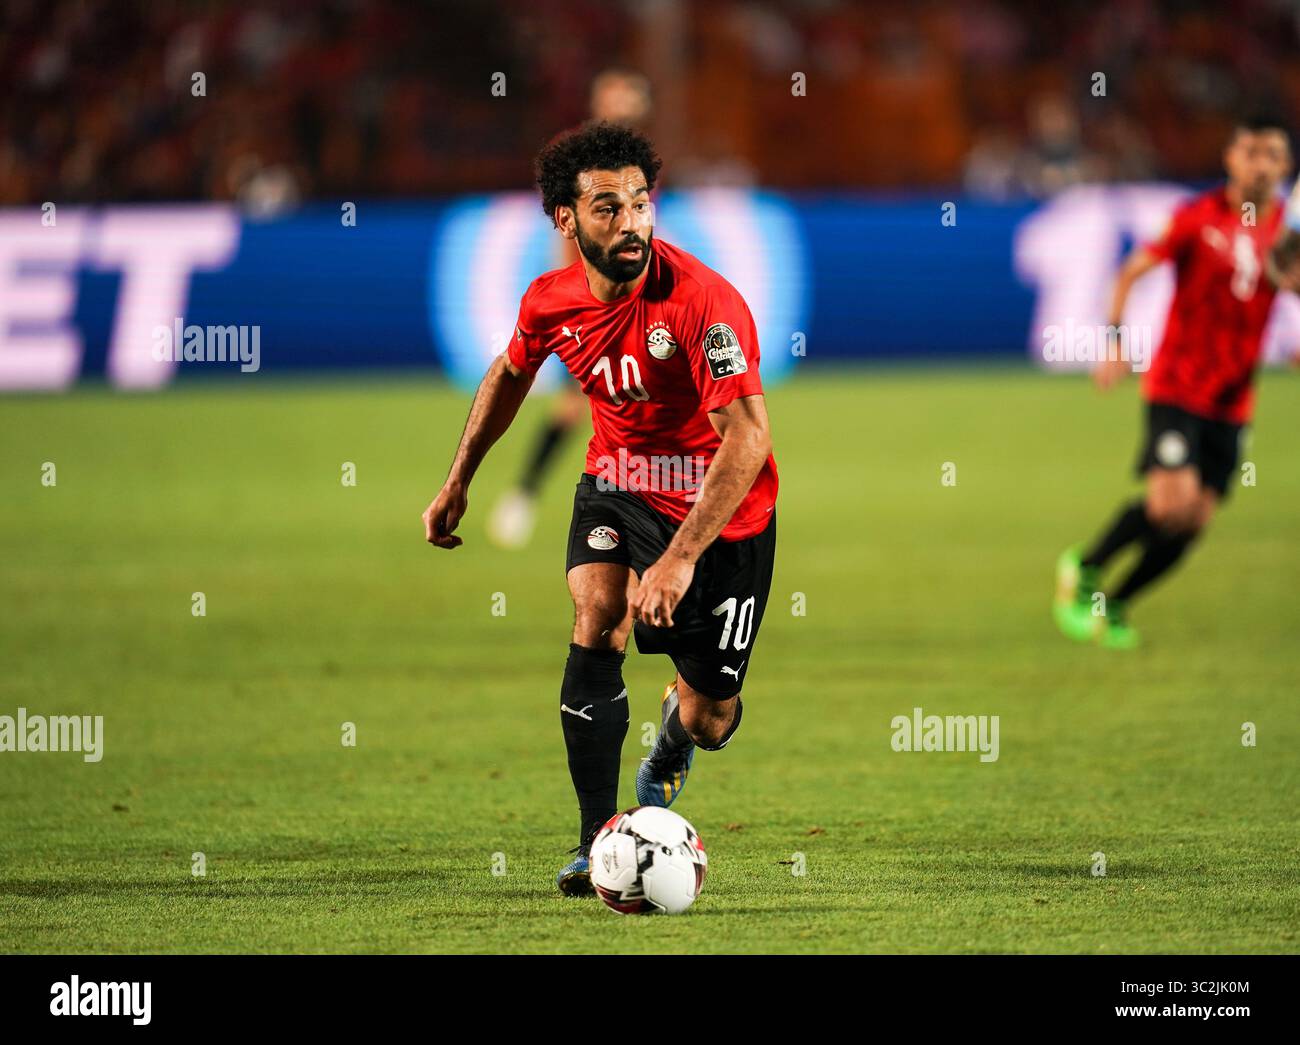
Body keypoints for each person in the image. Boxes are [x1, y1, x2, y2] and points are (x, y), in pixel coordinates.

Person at [422, 122, 779, 896]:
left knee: (713, 712)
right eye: (608, 208)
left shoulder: (702, 303)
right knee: (596, 615)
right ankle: (596, 839)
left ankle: (672, 741)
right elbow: (511, 373)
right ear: (566, 219)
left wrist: (682, 557)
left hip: (722, 514)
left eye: (641, 204)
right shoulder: (552, 300)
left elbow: (748, 439)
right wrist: (459, 478)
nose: (630, 224)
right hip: (615, 482)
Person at [1055, 113, 1300, 648]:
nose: (1260, 164)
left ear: (1285, 166)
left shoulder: (1285, 233)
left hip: (1233, 397)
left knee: (1194, 519)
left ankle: (1115, 605)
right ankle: (1087, 564)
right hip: (1177, 383)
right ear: (1230, 160)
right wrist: (1116, 343)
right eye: (1250, 152)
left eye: (1272, 155)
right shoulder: (1196, 217)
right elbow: (1130, 272)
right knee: (1170, 502)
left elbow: (1289, 293)